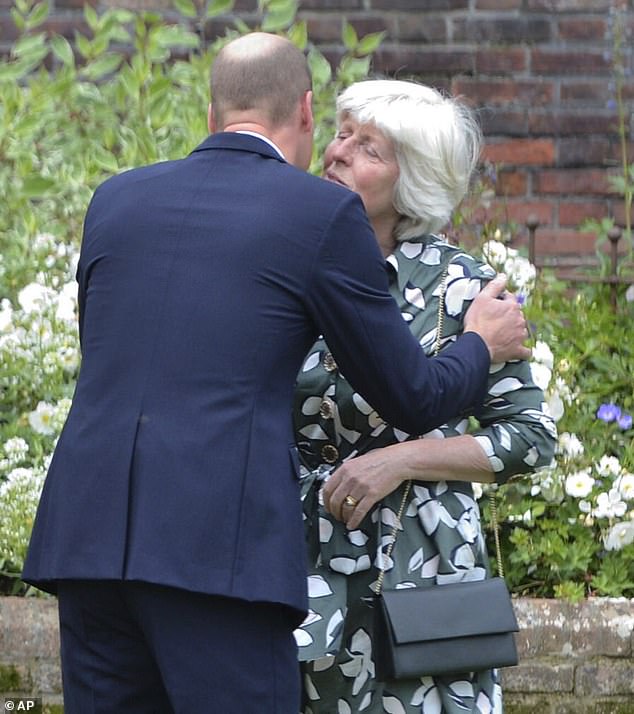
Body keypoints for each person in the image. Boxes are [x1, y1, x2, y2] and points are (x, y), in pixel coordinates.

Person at [22, 35, 529, 714]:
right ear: (307, 112)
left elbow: (113, 355)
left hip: (86, 540)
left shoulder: (115, 199)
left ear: (212, 112)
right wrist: (480, 345)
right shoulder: (318, 214)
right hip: (215, 553)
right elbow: (413, 393)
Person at [294, 79, 557, 713]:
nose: (338, 152)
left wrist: (401, 460)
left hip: (419, 570)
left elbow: (529, 437)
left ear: (410, 183)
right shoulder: (289, 264)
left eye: (368, 148)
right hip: (300, 556)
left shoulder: (461, 288)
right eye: (340, 134)